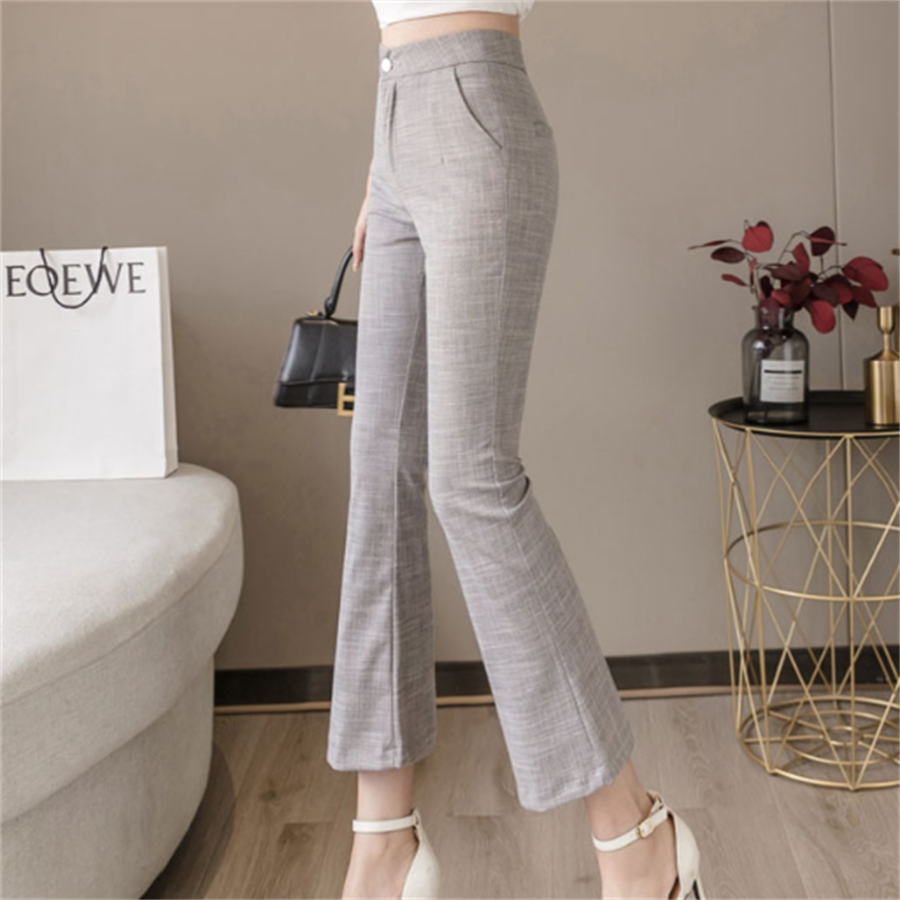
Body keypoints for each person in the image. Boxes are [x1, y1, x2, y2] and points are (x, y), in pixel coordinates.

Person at [326, 3, 707, 898]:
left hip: (474, 108)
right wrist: (383, 165)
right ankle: (383, 840)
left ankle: (636, 830)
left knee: (472, 476)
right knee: (379, 474)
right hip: (395, 122)